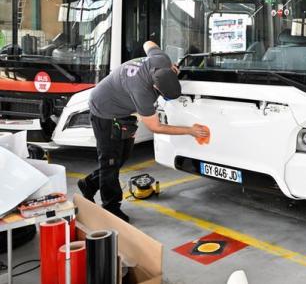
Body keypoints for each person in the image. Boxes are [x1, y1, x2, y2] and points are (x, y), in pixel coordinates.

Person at [78, 41, 209, 222]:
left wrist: (169, 69)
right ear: (155, 87)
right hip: (104, 111)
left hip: (122, 107)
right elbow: (156, 127)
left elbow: (148, 43)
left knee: (122, 156)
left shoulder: (161, 60)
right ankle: (111, 208)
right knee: (110, 161)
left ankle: (89, 184)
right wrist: (190, 131)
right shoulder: (142, 93)